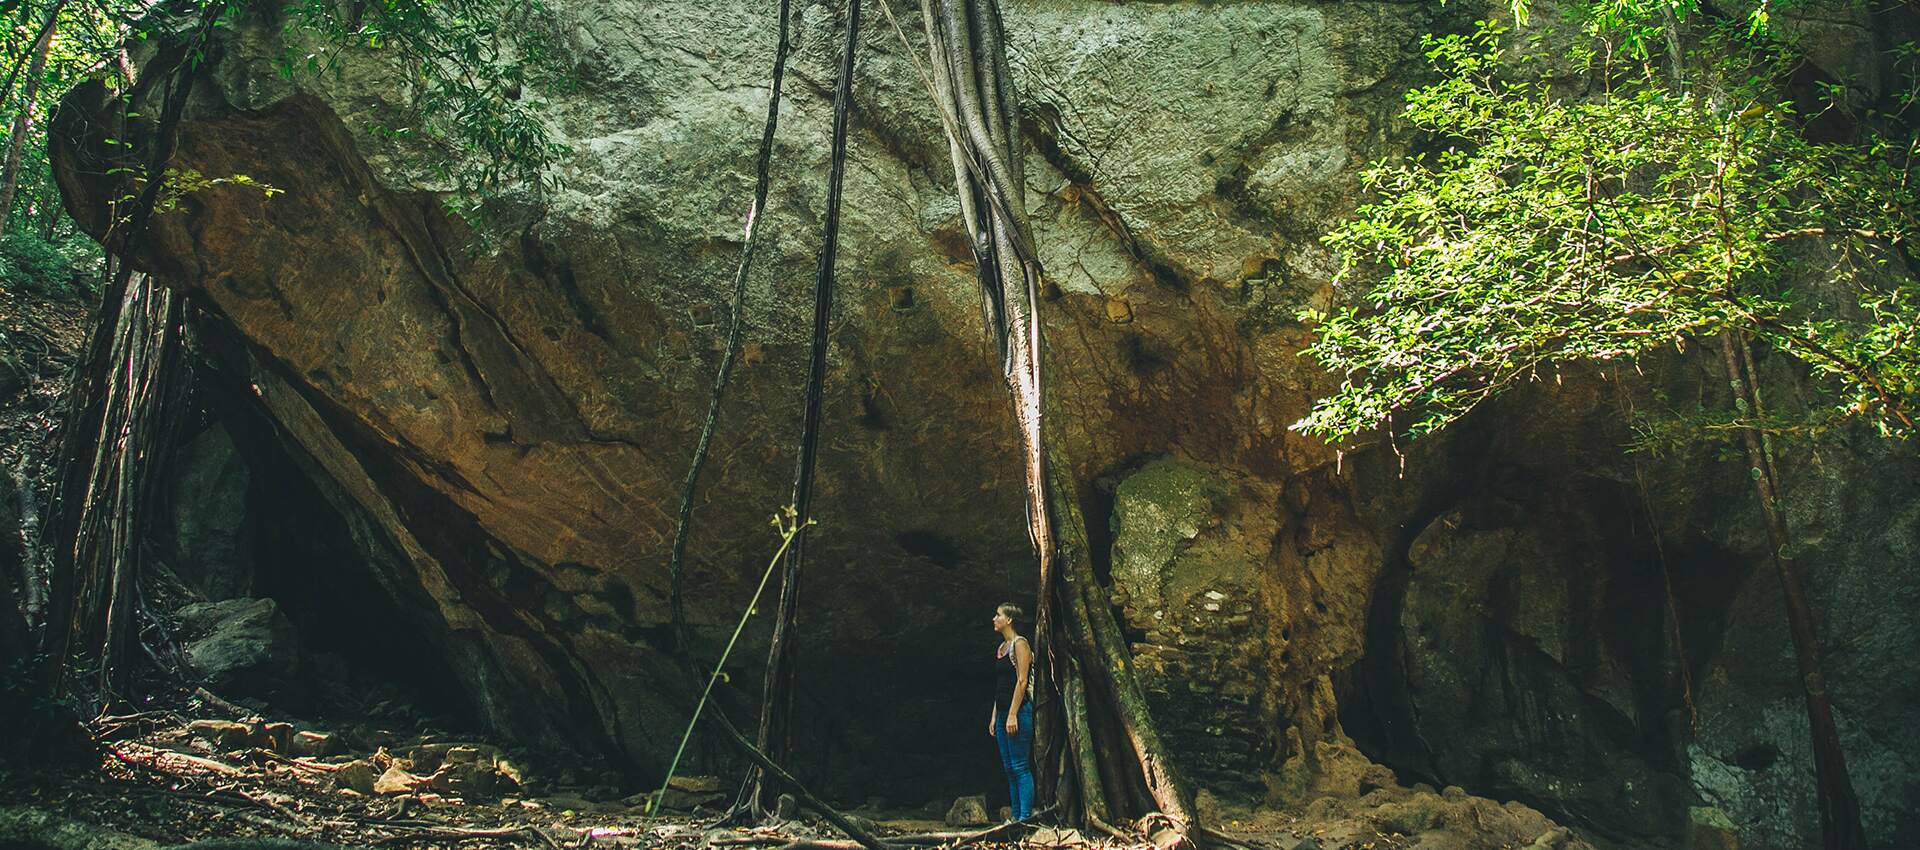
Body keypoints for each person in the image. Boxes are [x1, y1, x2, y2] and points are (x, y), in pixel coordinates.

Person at [989, 602, 1034, 822]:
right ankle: (1015, 817)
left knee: (1020, 766)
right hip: (1003, 714)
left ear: (1009, 620)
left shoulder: (1020, 644)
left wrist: (1013, 714)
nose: (994, 619)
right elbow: (1001, 685)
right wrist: (995, 715)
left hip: (1019, 712)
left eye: (998, 615)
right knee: (1009, 768)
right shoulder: (1001, 648)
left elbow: (1022, 680)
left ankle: (1024, 818)